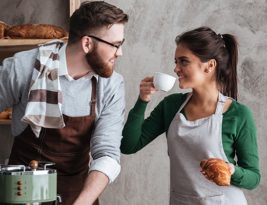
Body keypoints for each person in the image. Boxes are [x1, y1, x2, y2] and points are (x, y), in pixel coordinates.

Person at [0, 1, 128, 205]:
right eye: (116, 45)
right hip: (21, 194)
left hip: (77, 195)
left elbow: (107, 154)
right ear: (87, 43)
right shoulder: (23, 67)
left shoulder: (111, 85)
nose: (119, 53)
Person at [121, 27, 260, 205]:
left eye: (183, 62)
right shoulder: (171, 106)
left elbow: (253, 177)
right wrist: (143, 100)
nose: (176, 68)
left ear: (210, 65)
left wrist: (230, 170)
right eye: (176, 62)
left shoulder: (238, 114)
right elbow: (128, 145)